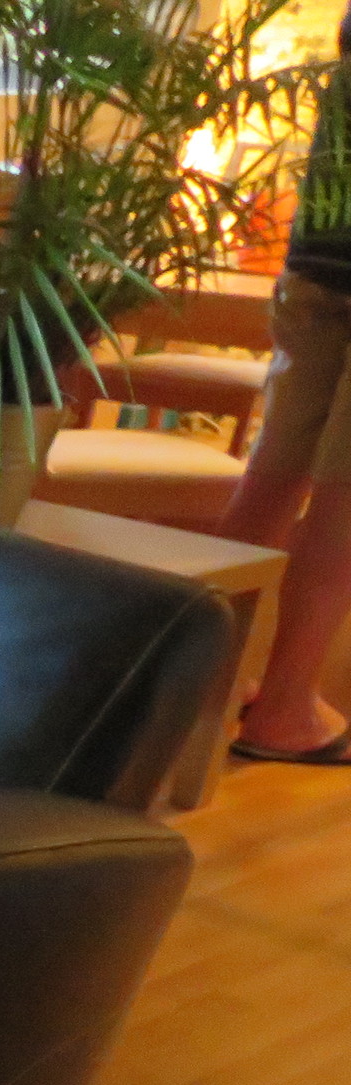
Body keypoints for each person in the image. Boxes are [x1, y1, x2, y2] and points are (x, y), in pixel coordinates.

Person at [219, 3, 351, 763]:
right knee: (344, 500)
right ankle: (286, 709)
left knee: (272, 474)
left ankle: (205, 683)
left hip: (315, 261)